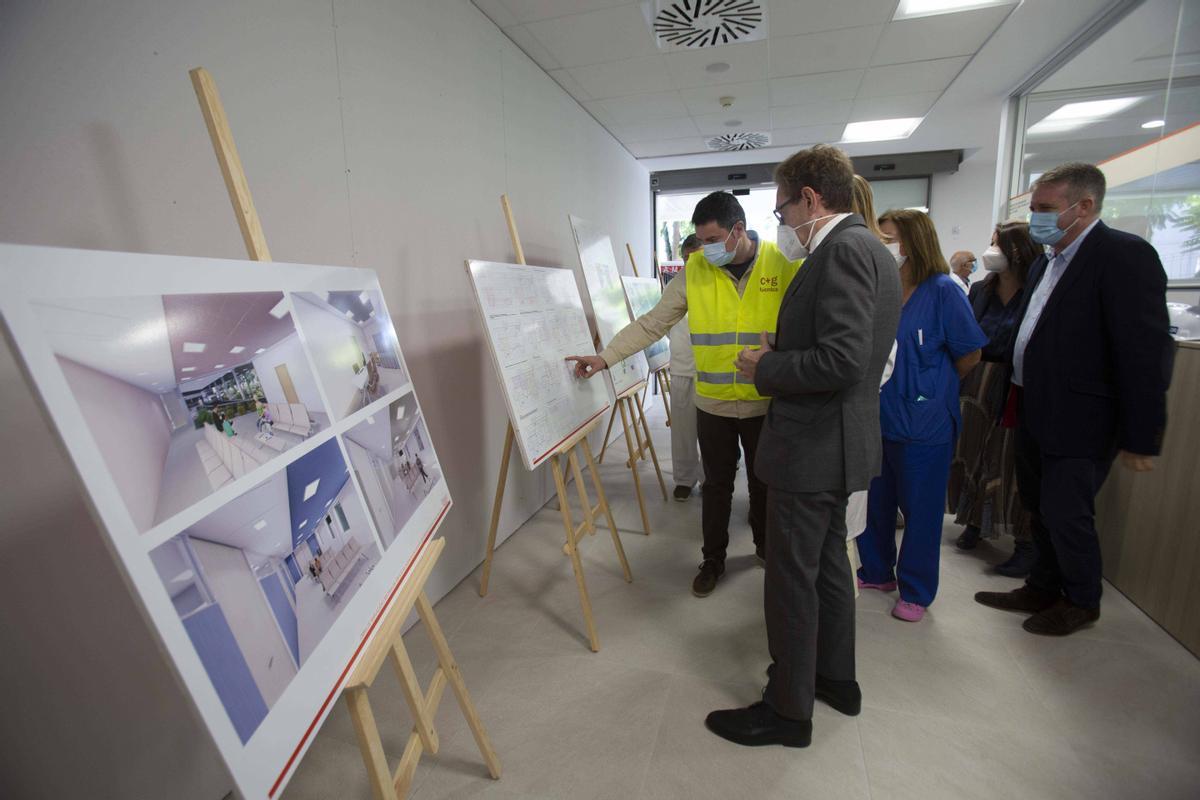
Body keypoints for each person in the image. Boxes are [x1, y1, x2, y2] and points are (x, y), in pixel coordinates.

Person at [702, 144, 901, 749]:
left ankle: (787, 710)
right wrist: (787, 344)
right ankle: (835, 680)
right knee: (830, 568)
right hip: (841, 443)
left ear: (811, 199)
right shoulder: (871, 249)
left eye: (783, 209)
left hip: (812, 446)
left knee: (791, 578)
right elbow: (848, 347)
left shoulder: (840, 251)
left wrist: (769, 364)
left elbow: (840, 361)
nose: (782, 223)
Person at [567, 191, 801, 597]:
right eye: (702, 241)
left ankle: (765, 548)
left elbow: (805, 329)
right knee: (716, 486)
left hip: (766, 402)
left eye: (712, 240)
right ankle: (713, 559)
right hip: (713, 404)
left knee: (765, 483)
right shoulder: (694, 272)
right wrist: (605, 358)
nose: (705, 249)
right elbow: (652, 323)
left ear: (738, 231)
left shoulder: (783, 267)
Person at [975, 162, 1173, 636]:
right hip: (1032, 403)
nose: (1038, 218)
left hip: (1083, 414)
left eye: (1046, 209)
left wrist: (1142, 435)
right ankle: (1042, 586)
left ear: (1084, 207)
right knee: (1037, 504)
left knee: (1068, 512)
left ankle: (1082, 599)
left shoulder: (1123, 255)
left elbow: (1145, 350)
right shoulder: (1047, 260)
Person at [855, 209, 987, 622]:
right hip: (878, 416)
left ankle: (916, 589)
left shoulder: (944, 291)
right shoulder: (877, 289)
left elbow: (970, 353)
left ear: (912, 242)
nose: (882, 245)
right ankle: (877, 571)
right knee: (875, 503)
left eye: (888, 237)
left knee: (921, 511)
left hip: (924, 423)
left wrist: (933, 386)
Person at [948, 221, 1039, 577]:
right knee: (973, 452)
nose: (989, 253)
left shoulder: (1035, 291)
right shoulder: (982, 291)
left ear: (1017, 251)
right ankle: (973, 521)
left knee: (1009, 460)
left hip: (1013, 384)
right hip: (977, 379)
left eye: (996, 245)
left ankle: (1024, 541)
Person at [667, 233, 704, 501]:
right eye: (687, 258)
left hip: (710, 370)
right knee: (682, 431)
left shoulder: (717, 282)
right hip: (681, 367)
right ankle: (684, 478)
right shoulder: (675, 287)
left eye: (697, 256)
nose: (692, 262)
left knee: (712, 434)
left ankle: (710, 477)